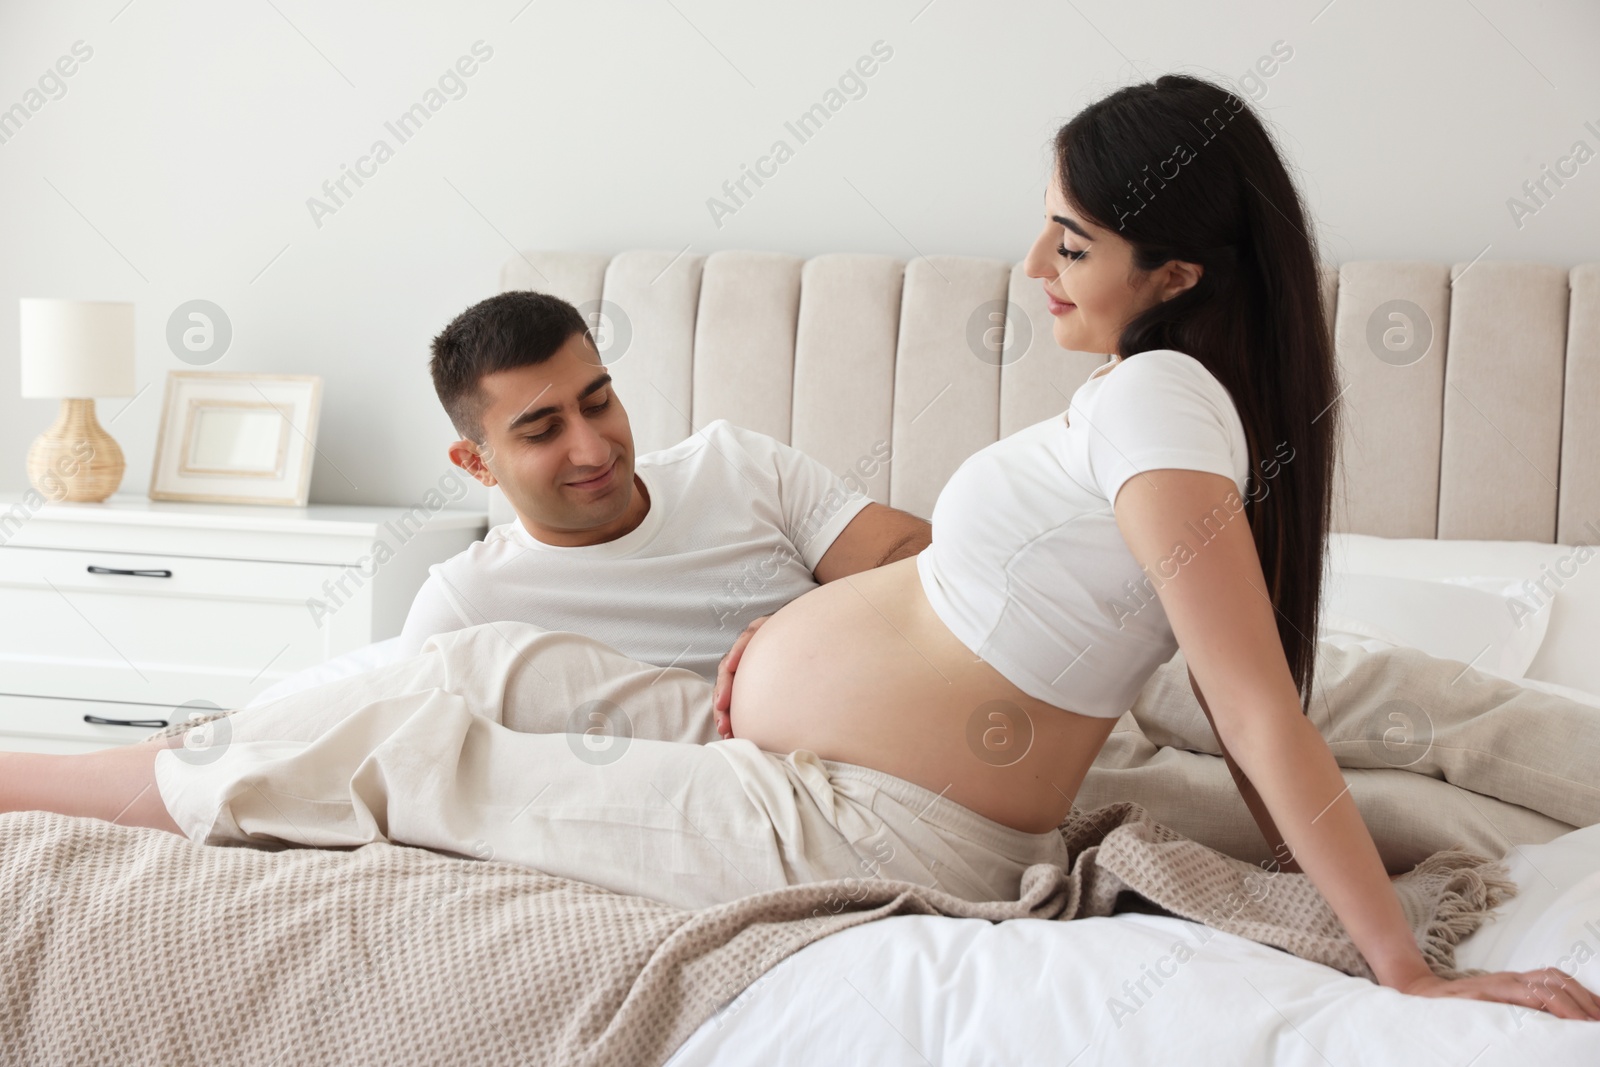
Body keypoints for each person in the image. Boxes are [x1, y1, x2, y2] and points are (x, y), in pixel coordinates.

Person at [2, 73, 1595, 1021]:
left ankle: (33, 774)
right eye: (1046, 219)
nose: (1034, 263)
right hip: (780, 746)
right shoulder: (1160, 395)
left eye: (1074, 242)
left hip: (864, 817)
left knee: (406, 728)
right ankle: (181, 747)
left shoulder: (1163, 409)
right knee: (469, 658)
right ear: (476, 458)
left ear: (1176, 271)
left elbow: (1258, 709)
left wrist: (1406, 969)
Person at [396, 289, 931, 680]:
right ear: (476, 464)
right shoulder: (465, 605)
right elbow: (405, 755)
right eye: (542, 432)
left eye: (598, 404)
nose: (595, 450)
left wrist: (800, 632)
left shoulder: (739, 466)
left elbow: (927, 561)